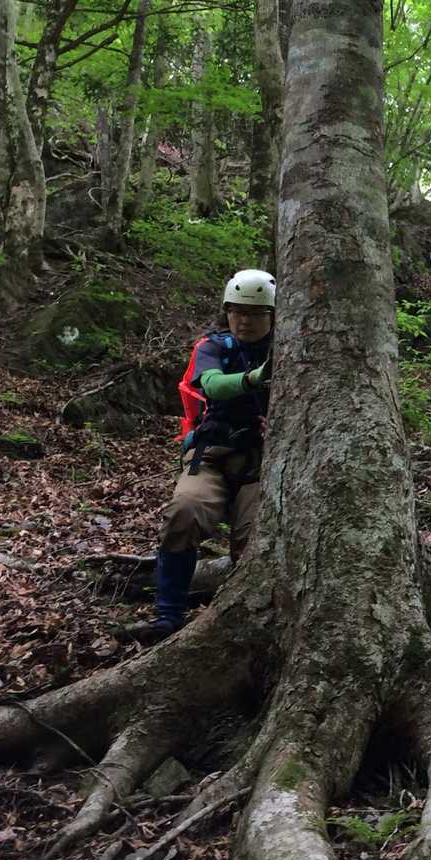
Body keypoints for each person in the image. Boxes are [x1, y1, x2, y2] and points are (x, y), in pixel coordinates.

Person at [121, 268, 276, 643]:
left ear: (272, 315)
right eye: (236, 311)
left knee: (254, 538)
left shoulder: (288, 348)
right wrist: (254, 379)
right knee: (183, 512)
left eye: (255, 313)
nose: (244, 320)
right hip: (211, 455)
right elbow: (211, 385)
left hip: (262, 463)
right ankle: (168, 615)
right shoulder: (214, 347)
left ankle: (246, 621)